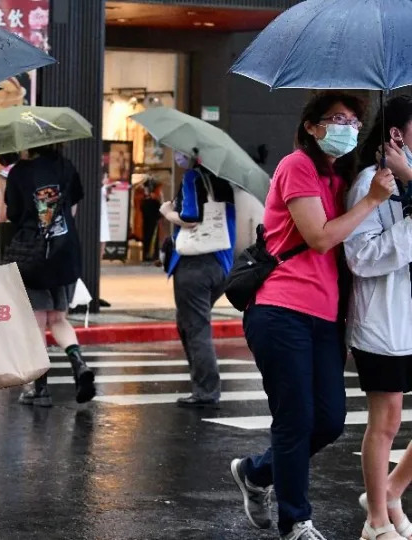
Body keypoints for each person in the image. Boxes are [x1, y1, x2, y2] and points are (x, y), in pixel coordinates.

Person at [229, 91, 395, 540]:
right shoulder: (296, 166)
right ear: (311, 126)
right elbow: (320, 239)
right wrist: (372, 201)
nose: (346, 126)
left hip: (325, 317)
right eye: (335, 118)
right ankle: (295, 521)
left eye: (353, 121)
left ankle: (257, 472)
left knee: (329, 420)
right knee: (296, 418)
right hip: (281, 309)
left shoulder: (341, 178)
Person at [346, 94, 412, 540]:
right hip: (383, 322)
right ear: (396, 135)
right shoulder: (370, 184)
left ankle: (388, 491)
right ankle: (376, 522)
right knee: (385, 422)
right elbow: (362, 258)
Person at [5, 144, 96, 407]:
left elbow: (14, 215)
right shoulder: (65, 166)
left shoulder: (19, 173)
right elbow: (73, 209)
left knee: (36, 323)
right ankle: (79, 364)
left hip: (34, 257)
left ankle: (39, 388)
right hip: (65, 253)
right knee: (58, 318)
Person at [160, 153, 236, 409]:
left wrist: (168, 212)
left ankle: (206, 390)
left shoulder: (193, 177)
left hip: (195, 265)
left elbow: (191, 217)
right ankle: (201, 385)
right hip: (221, 265)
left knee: (196, 327)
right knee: (190, 324)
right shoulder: (224, 181)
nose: (177, 156)